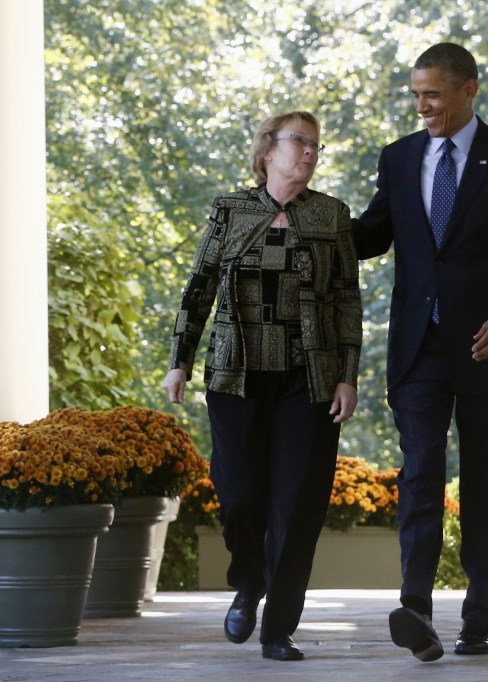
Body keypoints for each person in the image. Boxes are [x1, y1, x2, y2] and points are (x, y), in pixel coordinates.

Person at [352, 42, 488, 661]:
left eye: (432, 95)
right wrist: (304, 212)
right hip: (419, 351)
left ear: (469, 89)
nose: (422, 107)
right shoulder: (399, 157)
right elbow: (371, 234)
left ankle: (480, 619)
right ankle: (415, 609)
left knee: (487, 485)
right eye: (416, 95)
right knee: (418, 477)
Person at [163, 111, 362, 662]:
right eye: (299, 141)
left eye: (315, 145)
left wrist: (348, 374)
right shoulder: (231, 210)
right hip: (235, 374)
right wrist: (179, 360)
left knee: (298, 506)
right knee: (239, 495)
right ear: (267, 149)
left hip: (310, 378)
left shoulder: (331, 214)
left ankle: (278, 628)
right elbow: (199, 287)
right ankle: (249, 582)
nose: (309, 152)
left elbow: (347, 299)